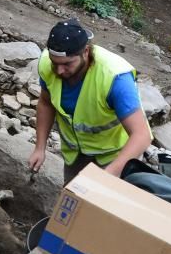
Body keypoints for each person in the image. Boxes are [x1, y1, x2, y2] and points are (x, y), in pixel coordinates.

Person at [28, 18, 152, 184]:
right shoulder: (47, 64)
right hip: (76, 154)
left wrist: (109, 175)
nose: (59, 70)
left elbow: (142, 135)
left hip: (114, 155)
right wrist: (40, 147)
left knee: (104, 205)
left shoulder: (114, 78)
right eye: (54, 63)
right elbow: (45, 103)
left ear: (86, 51)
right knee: (72, 202)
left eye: (67, 64)